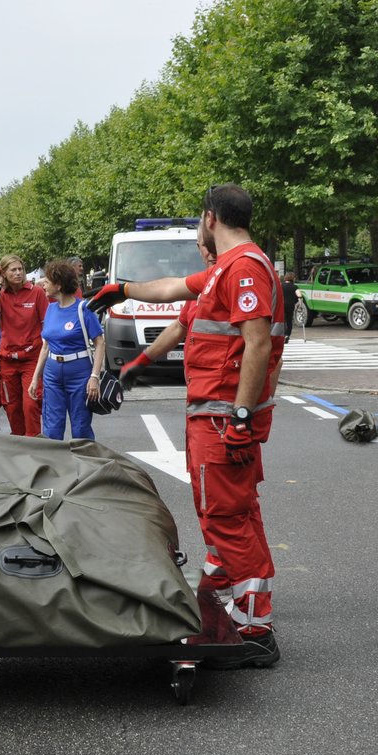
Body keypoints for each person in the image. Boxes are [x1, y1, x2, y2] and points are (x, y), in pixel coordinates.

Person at [89, 184, 285, 665]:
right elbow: (171, 291)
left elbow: (257, 344)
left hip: (223, 417)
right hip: (215, 414)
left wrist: (240, 416)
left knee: (227, 515)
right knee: (231, 511)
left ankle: (255, 627)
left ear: (210, 218)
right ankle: (221, 586)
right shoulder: (224, 269)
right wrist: (123, 290)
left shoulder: (243, 269)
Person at [28, 258, 104, 441]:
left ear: (59, 285)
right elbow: (45, 346)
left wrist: (94, 377)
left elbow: (100, 343)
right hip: (53, 374)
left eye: (47, 281)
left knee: (81, 428)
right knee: (52, 428)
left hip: (79, 374)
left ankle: (85, 465)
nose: (43, 285)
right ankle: (56, 467)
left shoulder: (83, 309)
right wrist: (35, 378)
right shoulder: (51, 309)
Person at [0, 254, 48, 436]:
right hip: (8, 360)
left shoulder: (36, 292)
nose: (18, 273)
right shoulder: (1, 294)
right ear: (4, 273)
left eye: (20, 269)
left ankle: (34, 445)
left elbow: (46, 326)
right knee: (12, 407)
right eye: (13, 270)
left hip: (31, 360)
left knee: (30, 405)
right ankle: (19, 444)